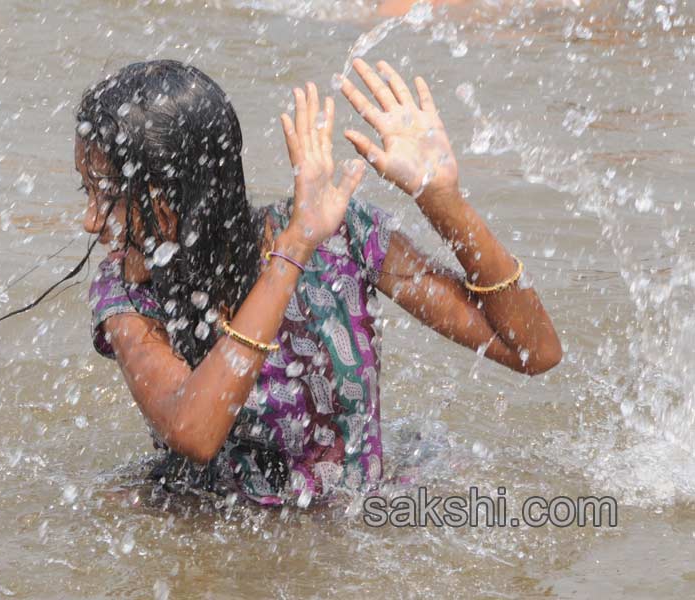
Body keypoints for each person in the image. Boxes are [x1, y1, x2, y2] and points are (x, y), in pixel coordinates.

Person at [77, 59, 561, 507]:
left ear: (176, 193)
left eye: (109, 196)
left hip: (353, 518)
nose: (91, 220)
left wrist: (442, 201)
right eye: (88, 192)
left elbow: (534, 352)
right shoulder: (126, 294)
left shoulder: (341, 235)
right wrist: (293, 251)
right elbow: (195, 431)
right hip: (208, 526)